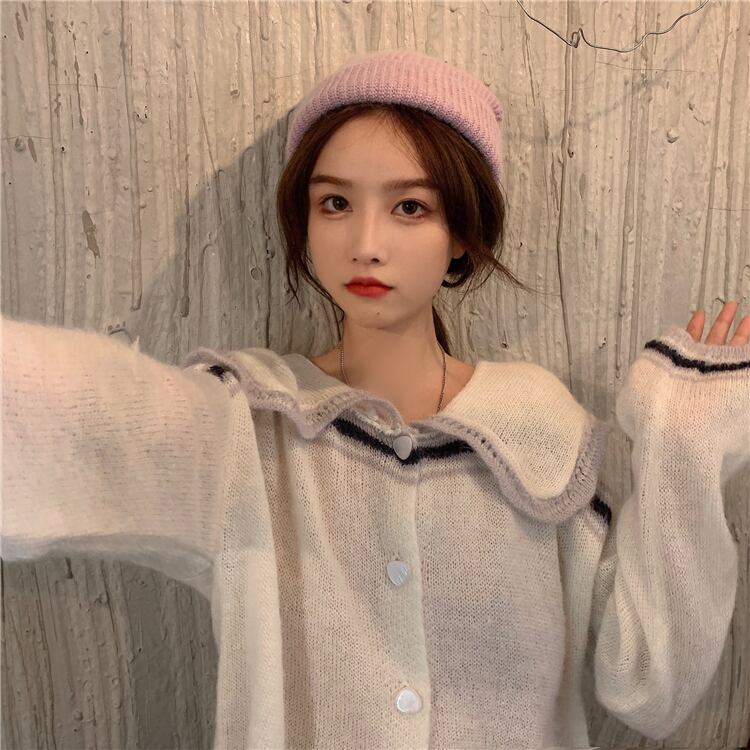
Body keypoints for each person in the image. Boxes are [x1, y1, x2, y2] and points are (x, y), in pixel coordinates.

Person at [2, 49, 749, 750]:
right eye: (334, 202)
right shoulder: (248, 426)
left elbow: (650, 683)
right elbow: (78, 416)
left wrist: (683, 443)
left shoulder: (541, 436)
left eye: (410, 207)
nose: (365, 242)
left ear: (463, 232)